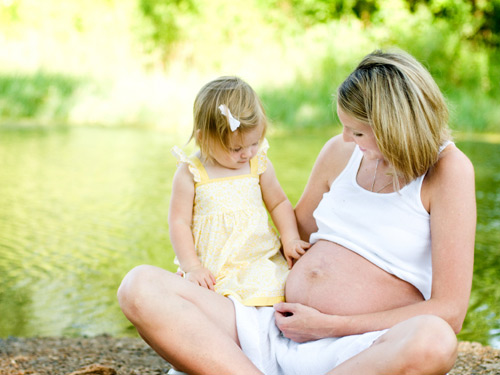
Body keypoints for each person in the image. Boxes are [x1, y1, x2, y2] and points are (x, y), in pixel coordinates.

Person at [117, 49, 476, 375]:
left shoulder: (448, 171)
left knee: (435, 340)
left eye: (357, 132)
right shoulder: (339, 152)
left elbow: (449, 310)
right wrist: (213, 258)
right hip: (270, 322)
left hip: (356, 349)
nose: (346, 140)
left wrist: (328, 325)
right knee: (139, 286)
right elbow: (294, 234)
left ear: (396, 128)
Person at [169, 76, 309, 306]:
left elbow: (278, 203)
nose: (247, 154)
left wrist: (290, 238)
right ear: (204, 137)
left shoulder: (258, 164)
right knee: (210, 305)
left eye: (254, 143)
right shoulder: (191, 173)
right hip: (213, 266)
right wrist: (192, 267)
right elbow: (179, 223)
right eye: (236, 148)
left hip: (258, 257)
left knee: (277, 290)